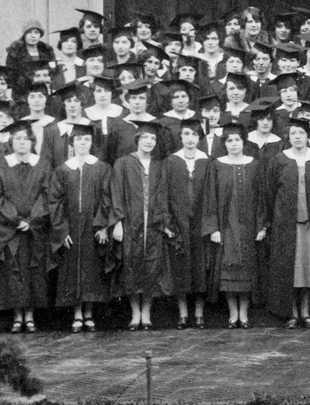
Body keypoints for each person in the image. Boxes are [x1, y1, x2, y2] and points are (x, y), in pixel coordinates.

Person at [266, 118, 310, 328]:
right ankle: (292, 312)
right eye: (293, 133)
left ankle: (306, 311)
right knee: (290, 269)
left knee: (308, 270)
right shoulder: (279, 160)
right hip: (287, 226)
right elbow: (270, 194)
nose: (297, 137)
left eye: (301, 133)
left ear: (308, 137)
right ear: (288, 136)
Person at [48, 125, 113, 332]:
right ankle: (77, 313)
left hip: (92, 226)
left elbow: (106, 198)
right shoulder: (63, 170)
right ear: (72, 143)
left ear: (91, 142)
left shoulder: (102, 168)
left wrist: (103, 227)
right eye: (78, 140)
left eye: (86, 139)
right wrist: (61, 230)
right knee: (72, 268)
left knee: (92, 268)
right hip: (71, 227)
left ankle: (89, 313)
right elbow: (55, 201)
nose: (82, 143)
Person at [0, 122, 51, 333]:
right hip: (10, 228)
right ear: (11, 142)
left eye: (26, 138)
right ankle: (17, 316)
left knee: (33, 269)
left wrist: (32, 220)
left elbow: (46, 195)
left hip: (34, 228)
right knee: (13, 270)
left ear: (32, 142)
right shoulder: (1, 165)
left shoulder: (42, 164)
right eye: (17, 139)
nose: (22, 142)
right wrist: (16, 220)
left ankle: (30, 316)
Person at [112, 121, 174, 330]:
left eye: (153, 138)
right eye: (145, 137)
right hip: (131, 223)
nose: (149, 141)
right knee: (131, 266)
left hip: (153, 224)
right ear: (137, 139)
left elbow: (164, 194)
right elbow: (117, 193)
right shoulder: (123, 163)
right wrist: (118, 222)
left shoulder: (159, 164)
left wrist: (165, 222)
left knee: (151, 268)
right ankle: (135, 313)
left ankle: (146, 313)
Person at [207, 122, 266, 328]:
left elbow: (261, 198)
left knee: (248, 270)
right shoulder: (216, 165)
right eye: (229, 140)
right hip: (226, 227)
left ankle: (244, 312)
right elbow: (210, 198)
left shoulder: (254, 165)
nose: (233, 144)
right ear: (224, 143)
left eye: (237, 140)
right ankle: (233, 313)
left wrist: (261, 226)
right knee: (228, 270)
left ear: (244, 142)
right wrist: (214, 228)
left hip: (249, 227)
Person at [162, 119, 215, 328]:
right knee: (181, 268)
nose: (190, 138)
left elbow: (212, 195)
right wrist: (167, 222)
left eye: (194, 134)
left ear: (199, 137)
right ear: (180, 137)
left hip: (201, 223)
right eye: (186, 134)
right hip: (179, 222)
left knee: (201, 268)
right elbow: (164, 193)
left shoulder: (207, 161)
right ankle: (183, 314)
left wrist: (211, 225)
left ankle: (199, 313)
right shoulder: (171, 161)